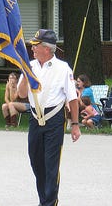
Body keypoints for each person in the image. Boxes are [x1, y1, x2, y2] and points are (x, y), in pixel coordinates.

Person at [18, 29, 81, 206]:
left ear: (47, 48)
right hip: (35, 118)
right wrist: (25, 74)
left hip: (54, 119)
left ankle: (50, 202)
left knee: (51, 164)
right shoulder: (29, 66)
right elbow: (21, 94)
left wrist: (75, 124)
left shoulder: (63, 69)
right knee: (36, 161)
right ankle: (43, 199)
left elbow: (72, 99)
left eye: (35, 45)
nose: (32, 48)